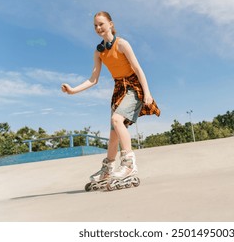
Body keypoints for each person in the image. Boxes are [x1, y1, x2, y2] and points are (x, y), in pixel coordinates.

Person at [61, 11, 160, 188]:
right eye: (95, 26)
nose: (98, 28)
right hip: (118, 89)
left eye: (101, 24)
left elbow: (138, 69)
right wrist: (73, 91)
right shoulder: (99, 52)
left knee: (117, 119)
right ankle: (107, 169)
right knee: (114, 132)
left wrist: (147, 93)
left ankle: (129, 164)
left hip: (133, 86)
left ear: (111, 24)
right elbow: (93, 79)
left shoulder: (122, 44)